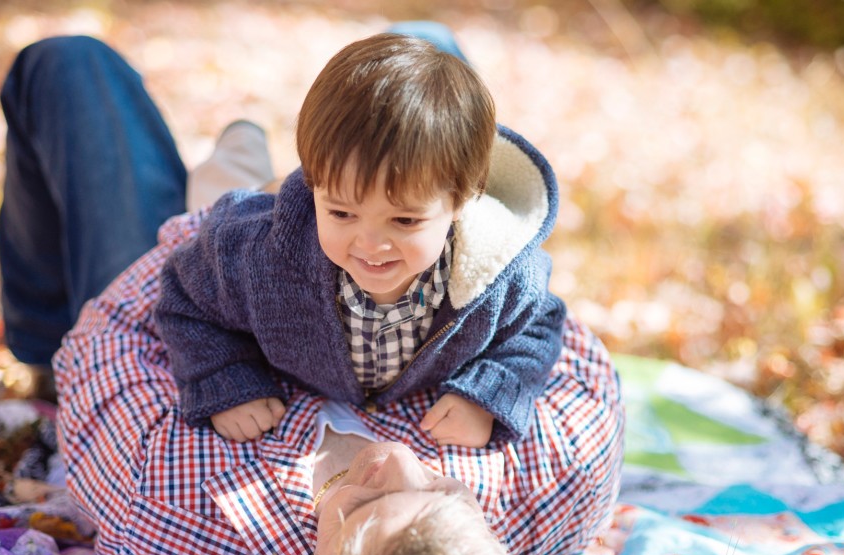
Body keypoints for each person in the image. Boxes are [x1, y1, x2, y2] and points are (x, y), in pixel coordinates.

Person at [0, 26, 625, 555]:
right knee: (423, 44)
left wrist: (223, 361)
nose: (386, 464)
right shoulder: (553, 488)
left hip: (209, 266)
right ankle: (284, 180)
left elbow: (124, 327)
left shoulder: (188, 511)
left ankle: (56, 321)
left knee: (67, 65)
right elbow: (558, 336)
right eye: (435, 492)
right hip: (302, 230)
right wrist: (493, 385)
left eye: (357, 508)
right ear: (482, 531)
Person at [153, 33, 564, 451]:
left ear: (461, 200)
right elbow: (185, 299)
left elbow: (536, 328)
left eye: (404, 219)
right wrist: (225, 377)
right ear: (314, 187)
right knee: (217, 185)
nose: (370, 243)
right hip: (246, 199)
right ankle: (241, 139)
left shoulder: (502, 278)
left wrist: (488, 396)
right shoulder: (250, 252)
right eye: (342, 213)